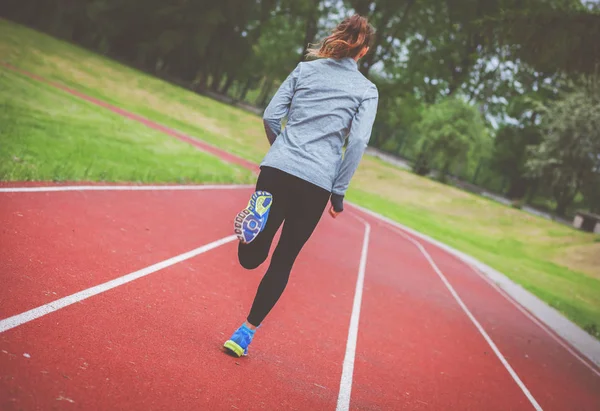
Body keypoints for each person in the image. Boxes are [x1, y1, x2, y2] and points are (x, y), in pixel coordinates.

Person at [224, 14, 379, 357]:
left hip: (277, 169)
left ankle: (254, 229)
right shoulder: (367, 90)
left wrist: (281, 149)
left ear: (337, 37)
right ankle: (245, 334)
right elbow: (358, 142)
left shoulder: (305, 70)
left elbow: (270, 115)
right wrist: (339, 191)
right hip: (317, 182)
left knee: (252, 258)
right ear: (363, 50)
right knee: (284, 260)